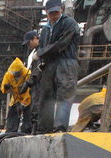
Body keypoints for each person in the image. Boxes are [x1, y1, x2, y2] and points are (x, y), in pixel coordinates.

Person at [35, 0, 80, 133]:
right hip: (49, 65)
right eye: (51, 13)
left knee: (64, 96)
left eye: (56, 12)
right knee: (46, 97)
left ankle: (59, 128)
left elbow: (61, 44)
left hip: (66, 63)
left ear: (61, 9)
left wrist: (40, 53)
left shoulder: (69, 23)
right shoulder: (45, 30)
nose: (54, 15)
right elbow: (43, 47)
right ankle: (44, 129)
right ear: (46, 13)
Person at [1, 57, 32, 133]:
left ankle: (26, 131)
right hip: (15, 98)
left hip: (26, 98)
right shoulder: (8, 75)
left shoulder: (27, 74)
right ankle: (10, 131)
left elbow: (29, 91)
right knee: (12, 113)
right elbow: (3, 87)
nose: (15, 75)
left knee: (28, 113)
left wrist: (23, 104)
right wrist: (5, 87)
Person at [20, 30, 41, 133]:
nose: (28, 45)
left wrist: (28, 82)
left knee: (37, 106)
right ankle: (35, 128)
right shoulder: (37, 51)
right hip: (37, 84)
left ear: (35, 38)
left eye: (29, 42)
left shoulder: (41, 51)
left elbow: (39, 69)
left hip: (40, 84)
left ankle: (36, 129)